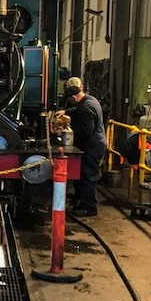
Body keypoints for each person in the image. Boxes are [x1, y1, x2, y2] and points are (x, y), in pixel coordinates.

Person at [59, 76, 107, 217]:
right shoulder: (89, 99)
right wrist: (66, 112)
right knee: (83, 174)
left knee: (88, 176)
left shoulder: (86, 107)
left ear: (73, 96)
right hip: (94, 143)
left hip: (93, 145)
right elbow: (77, 109)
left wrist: (67, 134)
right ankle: (81, 199)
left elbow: (87, 131)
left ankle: (90, 207)